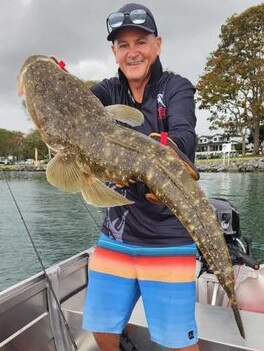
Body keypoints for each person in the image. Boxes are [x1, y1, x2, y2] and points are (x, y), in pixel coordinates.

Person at [82, 3, 199, 350]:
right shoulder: (105, 92)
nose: (132, 52)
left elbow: (184, 135)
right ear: (114, 51)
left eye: (141, 42)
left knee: (178, 341)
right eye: (123, 45)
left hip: (168, 237)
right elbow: (75, 111)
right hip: (116, 233)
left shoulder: (176, 87)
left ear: (157, 44)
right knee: (101, 327)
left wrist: (162, 153)